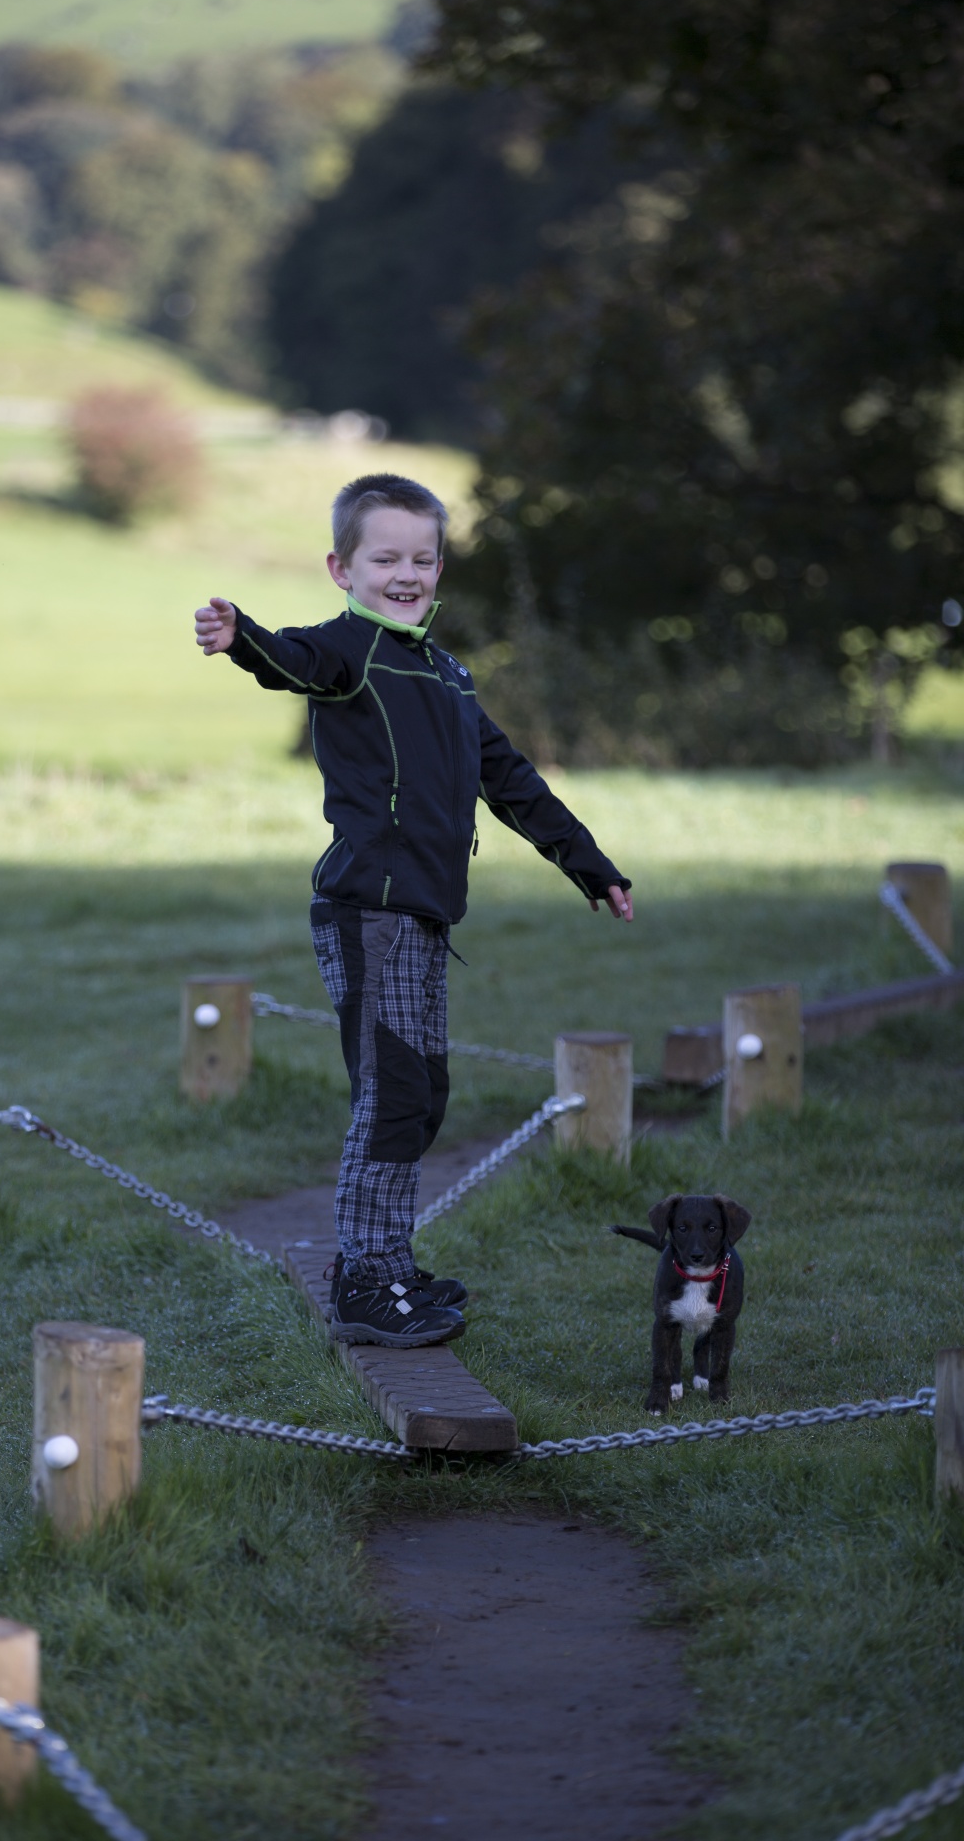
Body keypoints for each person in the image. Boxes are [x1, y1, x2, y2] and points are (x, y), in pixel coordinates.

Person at [194, 472, 632, 1348]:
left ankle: (389, 1263)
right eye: (384, 556)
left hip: (425, 920)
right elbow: (293, 660)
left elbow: (512, 783)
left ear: (440, 569)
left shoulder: (449, 676)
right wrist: (243, 637)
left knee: (423, 1092)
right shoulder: (346, 650)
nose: (405, 572)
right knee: (393, 1097)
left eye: (422, 558)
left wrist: (589, 865)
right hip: (368, 914)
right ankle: (363, 1281)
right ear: (341, 567)